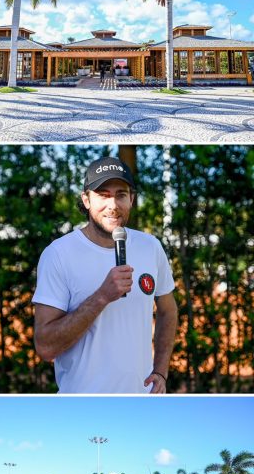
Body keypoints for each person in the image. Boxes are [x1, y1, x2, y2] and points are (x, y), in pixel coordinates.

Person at [33, 157, 178, 393]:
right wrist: (102, 296)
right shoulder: (58, 254)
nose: (113, 205)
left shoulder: (150, 246)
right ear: (86, 199)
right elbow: (45, 346)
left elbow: (168, 310)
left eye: (121, 194)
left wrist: (161, 370)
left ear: (131, 199)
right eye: (103, 194)